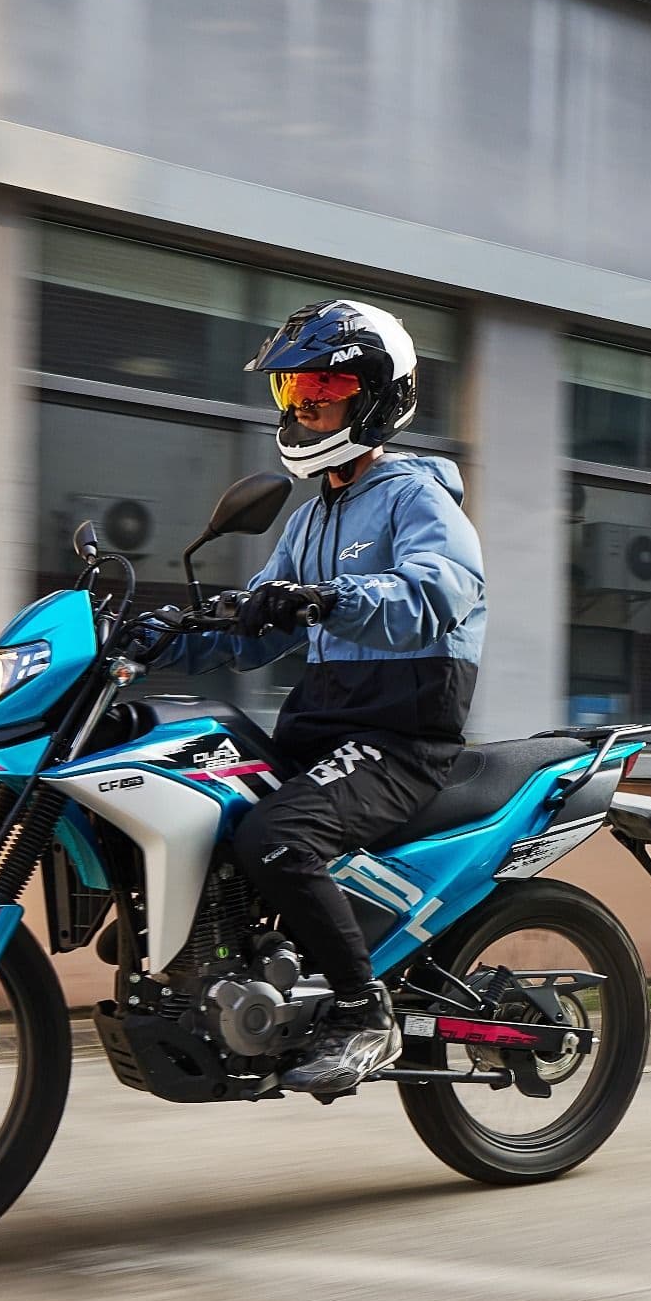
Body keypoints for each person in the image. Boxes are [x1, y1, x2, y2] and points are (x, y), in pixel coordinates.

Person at [167, 298, 487, 1096]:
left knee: (276, 837)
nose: (303, 405)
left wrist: (328, 599)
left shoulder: (419, 498)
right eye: (292, 389)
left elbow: (435, 594)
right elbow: (255, 628)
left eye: (324, 387)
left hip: (398, 737)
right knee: (200, 801)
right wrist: (161, 633)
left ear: (376, 396)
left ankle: (363, 1010)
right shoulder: (309, 520)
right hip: (321, 728)